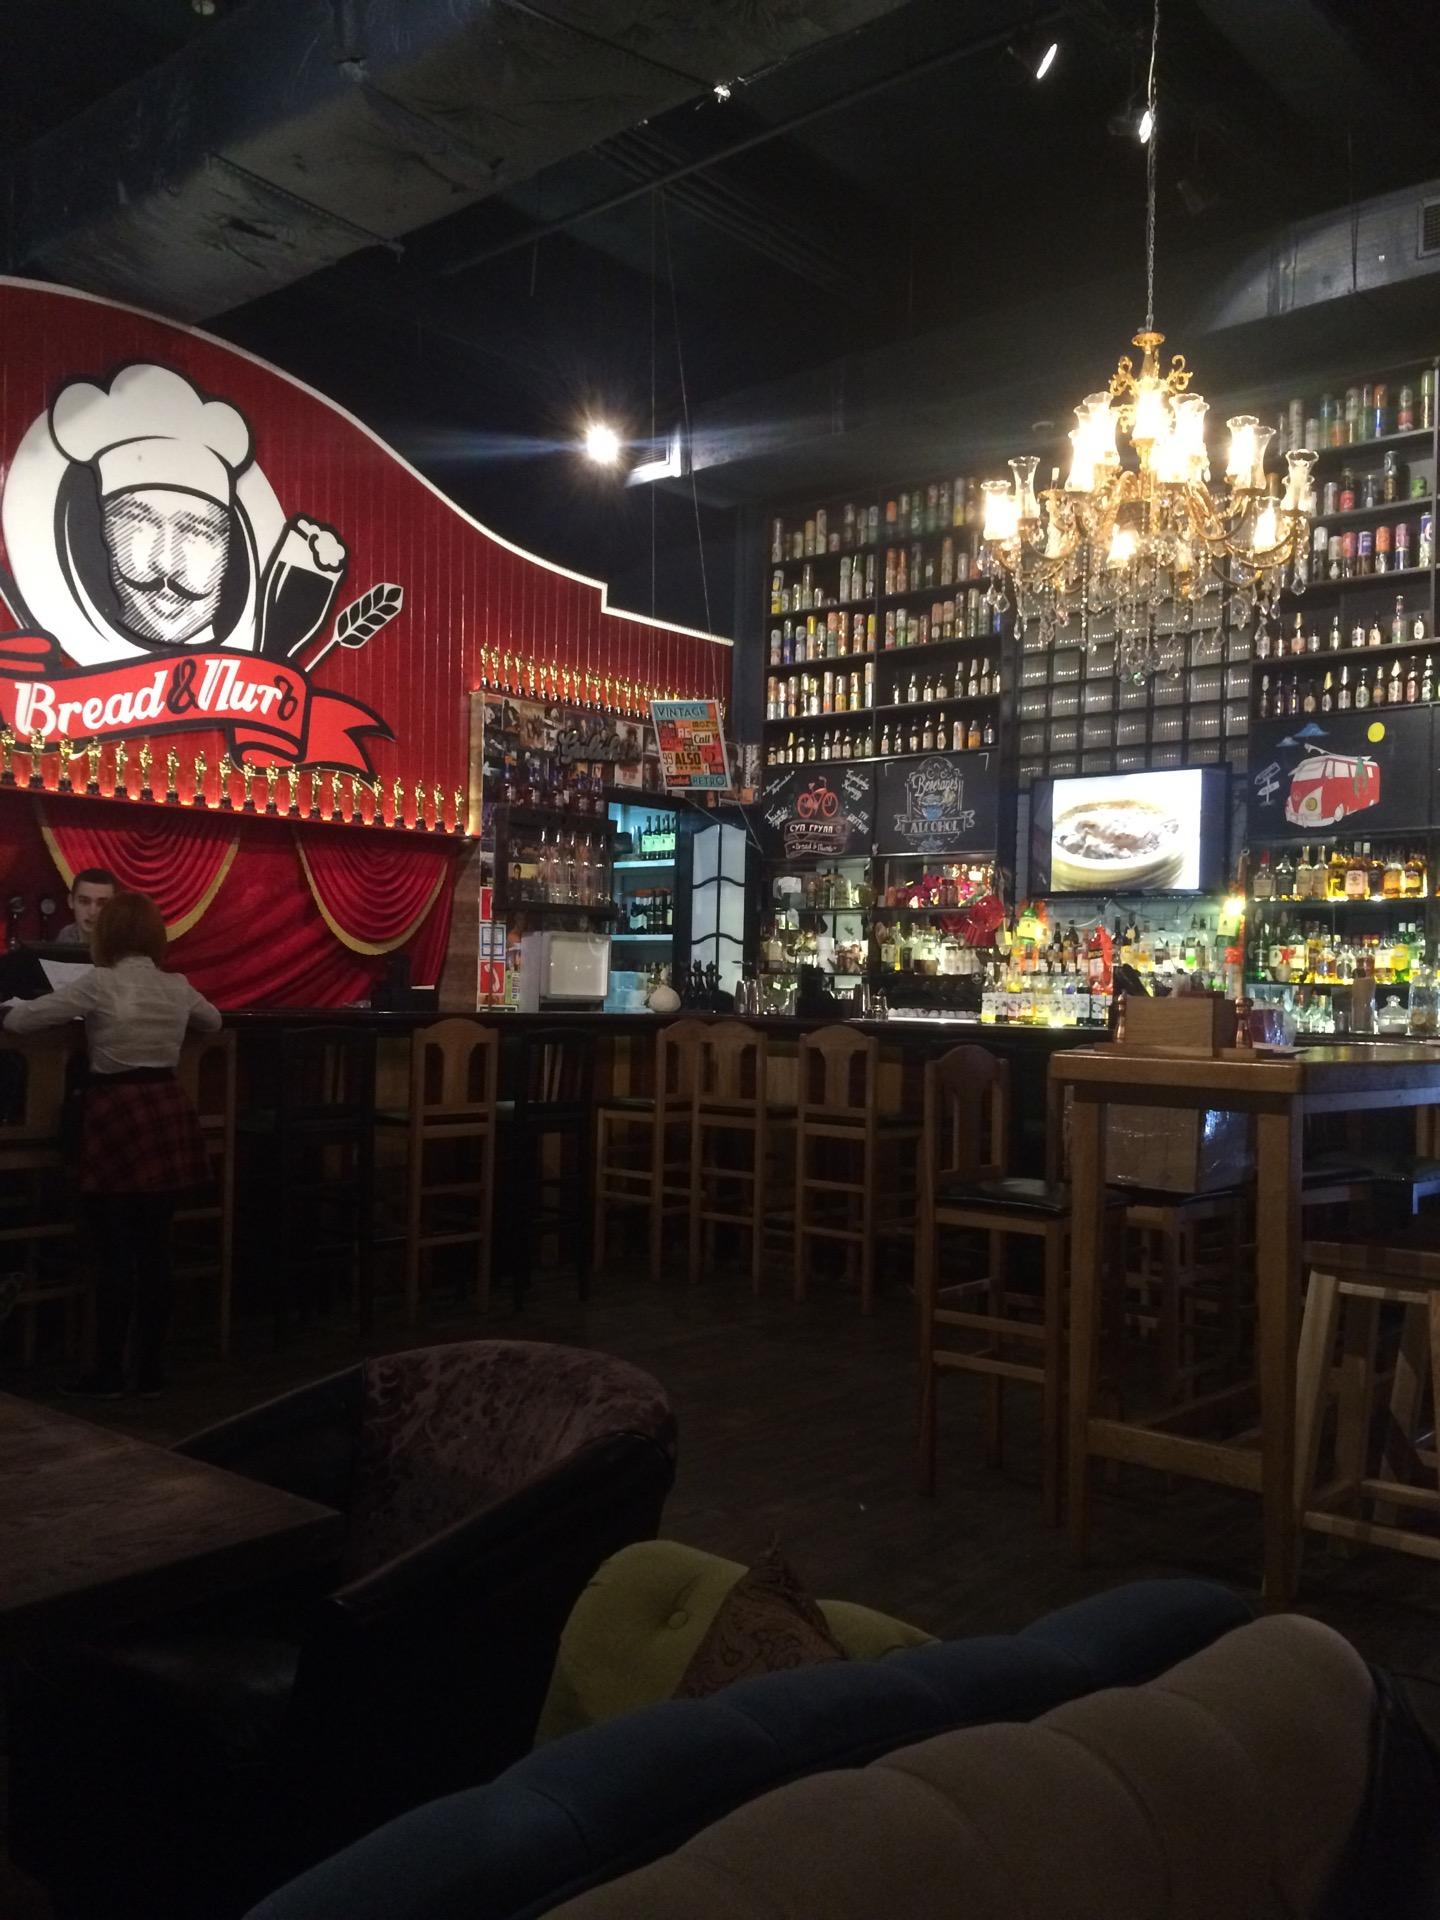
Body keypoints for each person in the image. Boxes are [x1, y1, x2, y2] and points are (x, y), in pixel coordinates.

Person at [4, 891, 221, 1397]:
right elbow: (213, 1022)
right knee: (156, 1248)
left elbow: (21, 1022)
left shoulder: (98, 982)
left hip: (115, 1111)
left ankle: (105, 1371)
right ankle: (150, 1371)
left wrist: (11, 1006)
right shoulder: (176, 985)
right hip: (166, 1107)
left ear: (107, 936)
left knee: (113, 1250)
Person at [57, 866, 117, 944]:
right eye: (84, 902)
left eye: (102, 904)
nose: (92, 912)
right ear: (71, 901)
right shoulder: (64, 937)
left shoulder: (125, 943)